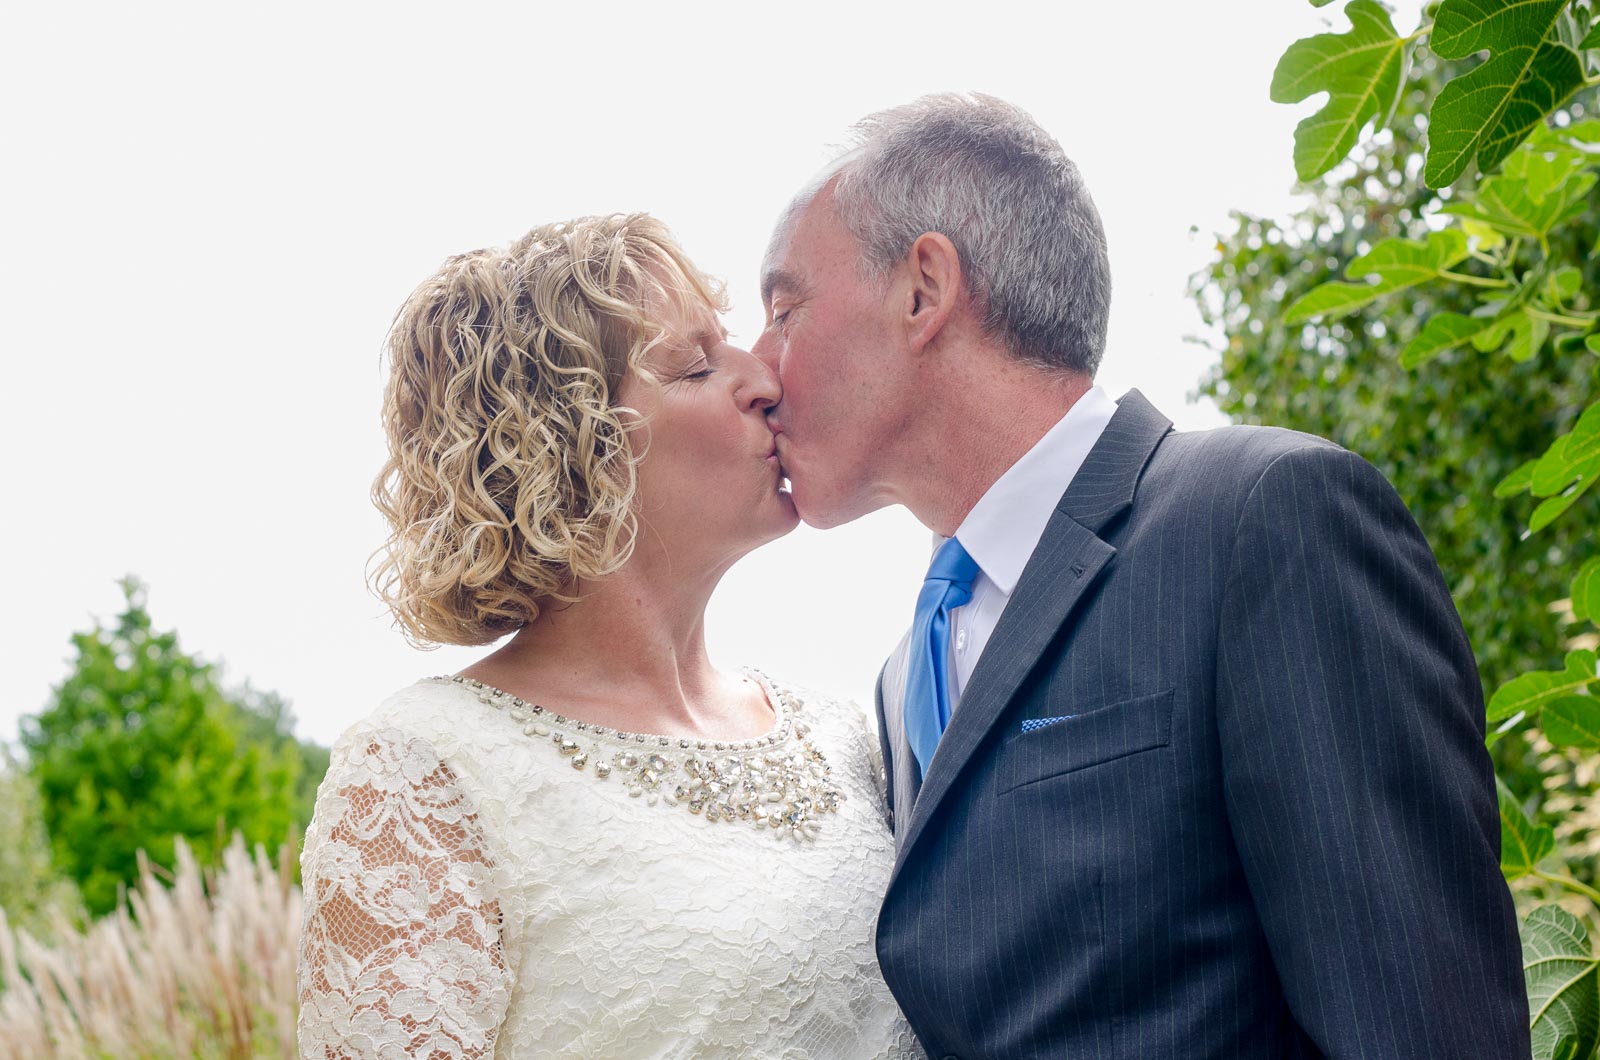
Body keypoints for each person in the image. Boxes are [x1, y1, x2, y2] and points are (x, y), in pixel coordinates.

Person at [751, 93, 1530, 1058]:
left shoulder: (1261, 519)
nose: (758, 369)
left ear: (924, 289)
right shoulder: (902, 672)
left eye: (784, 310)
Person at [295, 215, 918, 1058]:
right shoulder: (423, 773)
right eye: (696, 365)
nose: (765, 378)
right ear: (568, 444)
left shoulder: (849, 738)